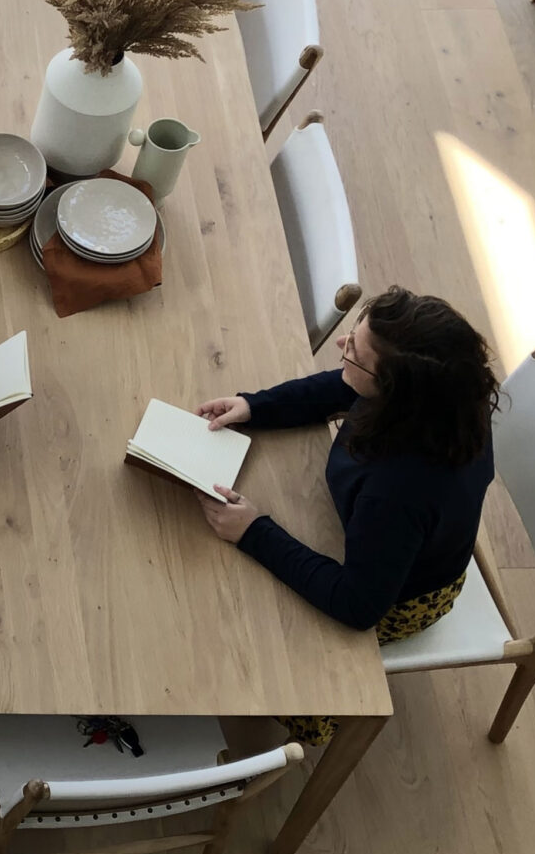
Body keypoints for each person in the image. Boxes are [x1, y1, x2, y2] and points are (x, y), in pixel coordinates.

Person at [190, 287, 500, 745]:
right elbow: (341, 385)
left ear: (391, 391)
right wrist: (256, 406)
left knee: (244, 632)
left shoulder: (397, 489)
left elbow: (358, 606)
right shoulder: (447, 403)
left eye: (354, 351)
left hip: (397, 598)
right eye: (354, 334)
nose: (341, 346)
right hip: (387, 542)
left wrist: (254, 530)